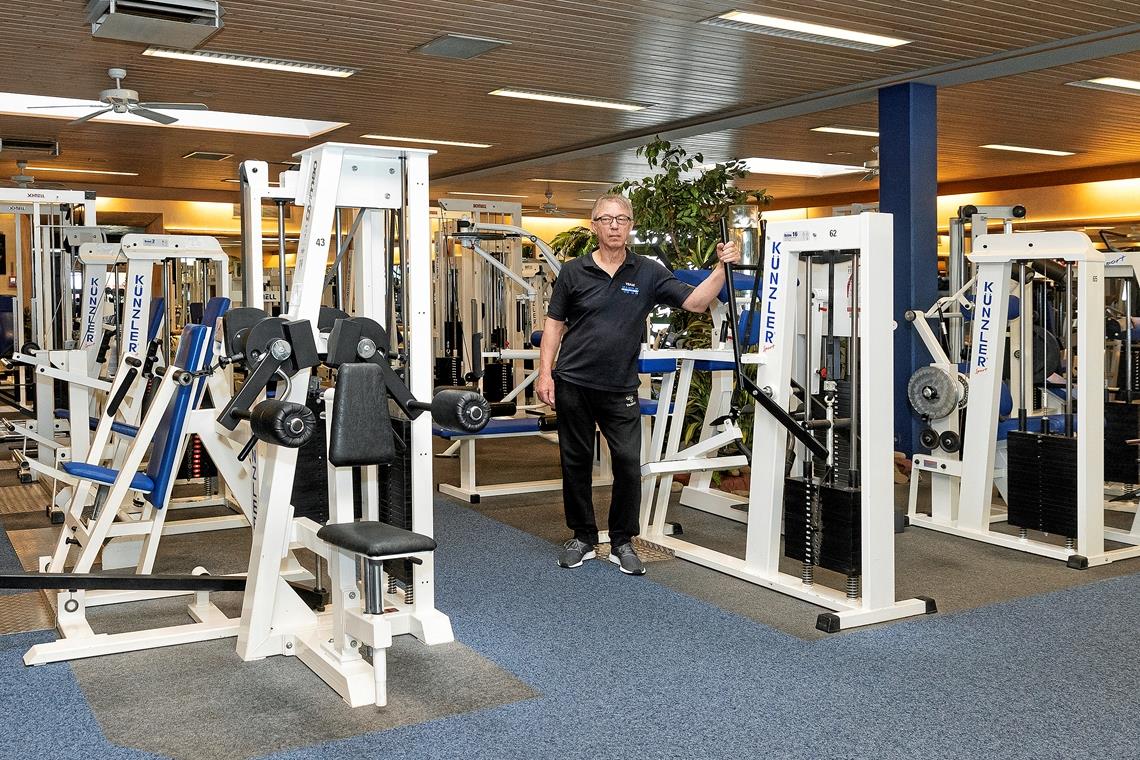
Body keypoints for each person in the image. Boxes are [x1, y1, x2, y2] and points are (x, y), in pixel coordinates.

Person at [536, 193, 741, 575]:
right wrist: (545, 372)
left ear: (631, 226)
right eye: (606, 219)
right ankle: (582, 536)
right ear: (594, 225)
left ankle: (621, 540)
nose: (614, 226)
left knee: (628, 464)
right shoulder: (573, 272)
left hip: (620, 386)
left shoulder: (647, 271)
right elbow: (554, 324)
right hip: (574, 381)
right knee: (575, 462)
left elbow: (696, 302)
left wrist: (719, 267)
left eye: (622, 219)